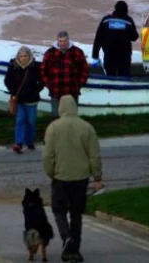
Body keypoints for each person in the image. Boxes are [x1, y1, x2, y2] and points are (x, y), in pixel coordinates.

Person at [42, 96, 103, 262]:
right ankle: (75, 244)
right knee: (77, 213)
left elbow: (47, 156)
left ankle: (66, 238)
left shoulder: (53, 128)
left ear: (61, 108)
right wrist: (97, 177)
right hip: (81, 177)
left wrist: (51, 173)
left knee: (58, 210)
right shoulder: (87, 127)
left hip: (60, 177)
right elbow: (94, 155)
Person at [40, 31, 89, 118]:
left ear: (68, 40)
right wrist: (49, 84)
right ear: (57, 41)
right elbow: (43, 70)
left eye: (64, 41)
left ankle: (72, 131)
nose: (62, 43)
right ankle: (56, 131)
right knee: (55, 115)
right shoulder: (50, 53)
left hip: (72, 90)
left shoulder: (77, 52)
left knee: (72, 115)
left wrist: (79, 84)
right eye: (60, 41)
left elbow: (84, 69)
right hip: (55, 90)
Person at [5, 45, 44, 153]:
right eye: (21, 56)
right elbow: (7, 80)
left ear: (29, 56)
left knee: (31, 121)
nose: (23, 58)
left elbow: (42, 80)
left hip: (32, 99)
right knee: (20, 120)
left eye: (25, 56)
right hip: (19, 99)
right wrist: (13, 92)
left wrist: (36, 90)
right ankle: (18, 143)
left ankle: (30, 142)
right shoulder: (13, 66)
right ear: (18, 56)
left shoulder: (35, 66)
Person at [92, 1, 139, 76]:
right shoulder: (128, 21)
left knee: (110, 75)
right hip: (124, 55)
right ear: (126, 10)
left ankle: (110, 87)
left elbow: (98, 38)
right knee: (124, 75)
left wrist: (95, 55)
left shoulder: (106, 20)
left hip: (109, 54)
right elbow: (134, 37)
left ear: (115, 9)